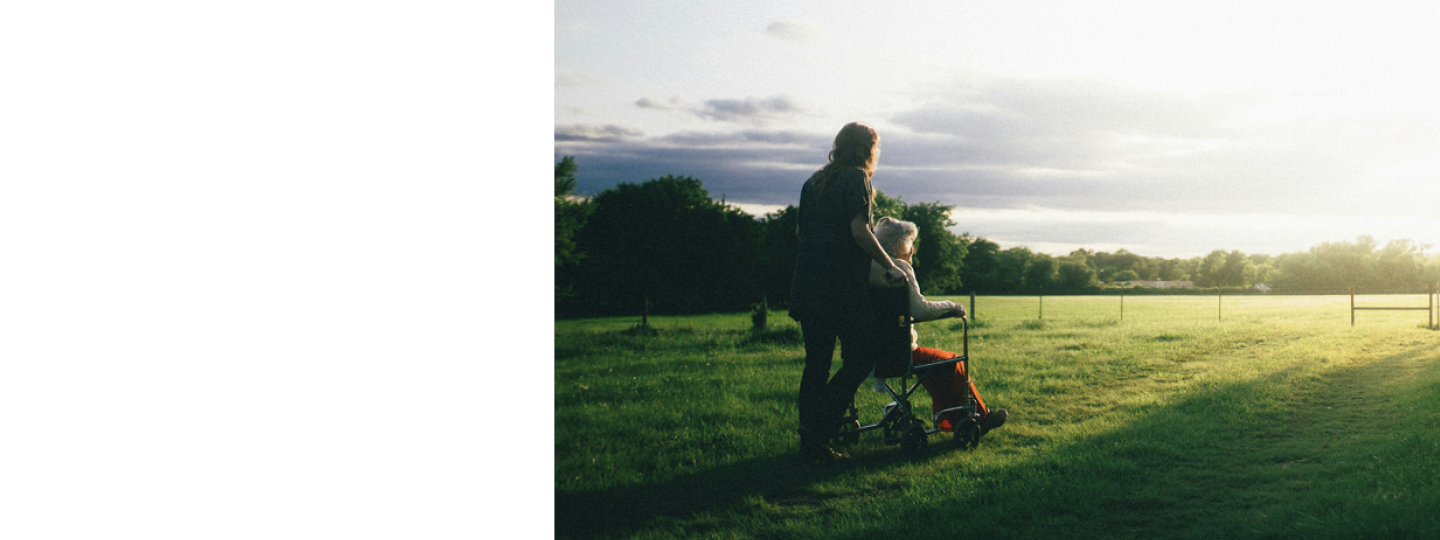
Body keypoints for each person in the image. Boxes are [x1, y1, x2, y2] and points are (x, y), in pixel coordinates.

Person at [789, 122, 905, 462]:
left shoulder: (813, 182)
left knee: (817, 365)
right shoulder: (857, 178)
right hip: (839, 289)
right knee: (861, 358)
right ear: (868, 149)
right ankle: (819, 428)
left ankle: (811, 441)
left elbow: (800, 231)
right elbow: (860, 231)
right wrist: (889, 265)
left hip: (807, 285)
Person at [867, 217, 1008, 435]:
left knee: (936, 364)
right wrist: (951, 307)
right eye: (910, 242)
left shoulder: (867, 267)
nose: (913, 249)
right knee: (951, 360)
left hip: (869, 353)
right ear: (898, 244)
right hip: (898, 353)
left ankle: (951, 421)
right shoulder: (899, 269)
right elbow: (920, 310)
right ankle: (981, 416)